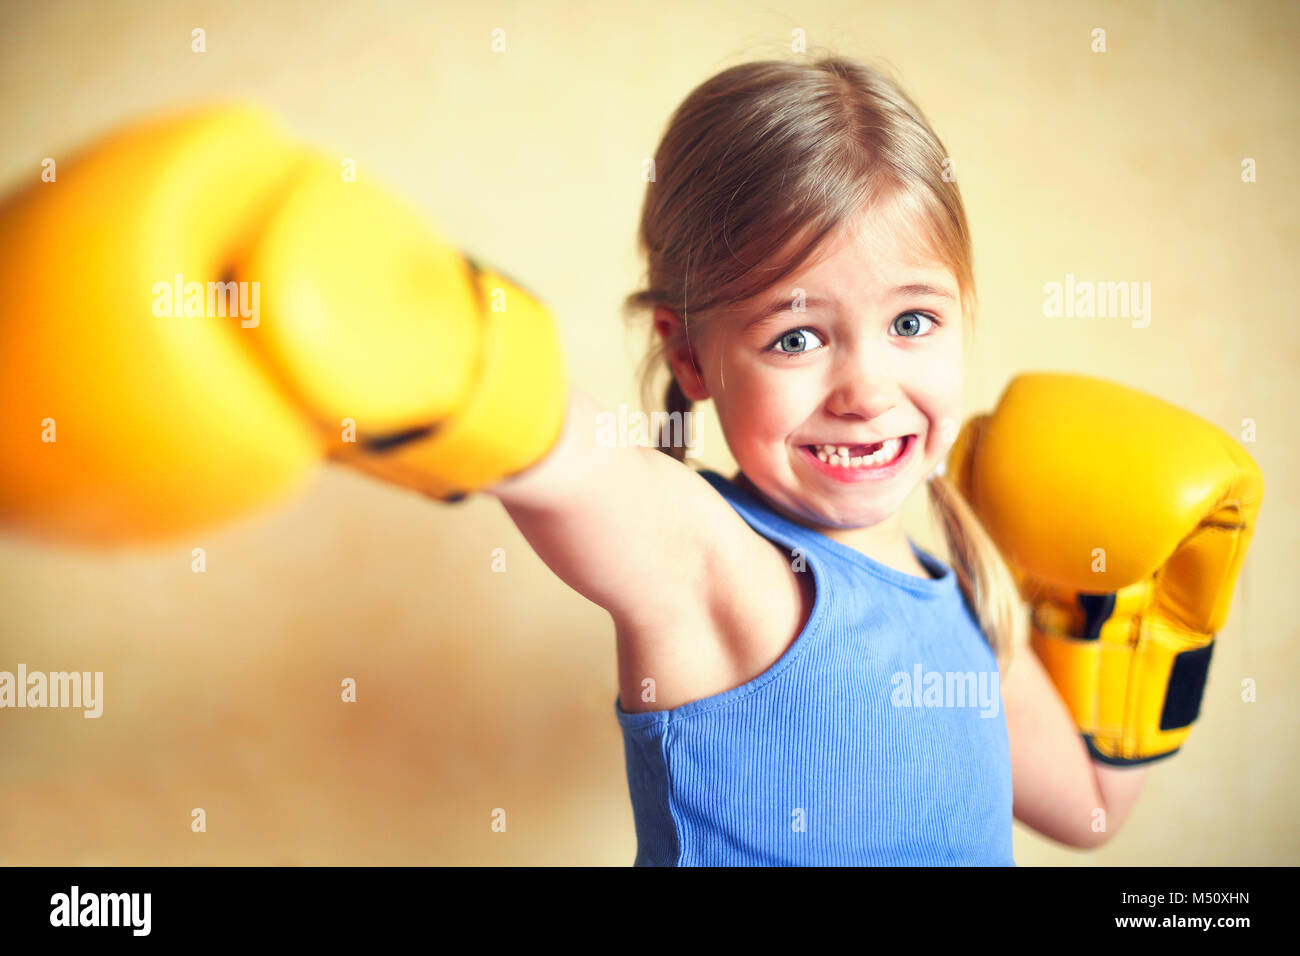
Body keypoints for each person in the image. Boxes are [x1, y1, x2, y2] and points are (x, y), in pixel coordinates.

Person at [486, 55, 1148, 865]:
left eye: (912, 322)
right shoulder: (722, 566)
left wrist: (1149, 630)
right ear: (689, 355)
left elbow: (1089, 812)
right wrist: (449, 355)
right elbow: (564, 458)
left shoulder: (968, 598)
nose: (867, 390)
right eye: (797, 337)